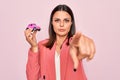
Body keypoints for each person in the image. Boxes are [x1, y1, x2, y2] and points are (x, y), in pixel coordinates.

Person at [24, 4, 96, 80]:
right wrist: (34, 47)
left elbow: (78, 43)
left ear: (71, 23)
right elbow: (32, 78)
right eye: (57, 20)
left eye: (66, 20)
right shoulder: (42, 46)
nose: (61, 24)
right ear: (52, 22)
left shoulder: (74, 43)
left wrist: (82, 43)